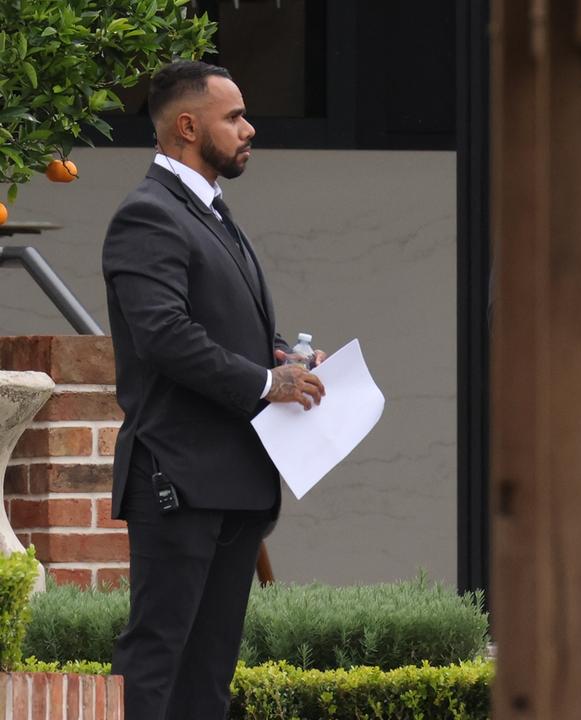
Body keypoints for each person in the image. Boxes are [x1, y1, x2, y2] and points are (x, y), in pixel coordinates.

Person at [103, 60, 326, 719]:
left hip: (235, 479)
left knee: (209, 673)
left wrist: (285, 356)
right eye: (234, 117)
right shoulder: (147, 215)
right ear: (187, 125)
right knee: (158, 658)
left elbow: (220, 323)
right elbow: (164, 335)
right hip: (178, 480)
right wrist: (267, 381)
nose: (250, 128)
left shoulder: (212, 213)